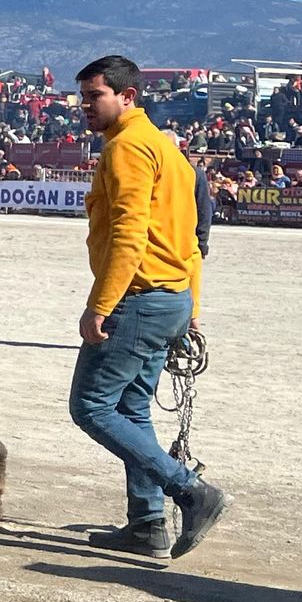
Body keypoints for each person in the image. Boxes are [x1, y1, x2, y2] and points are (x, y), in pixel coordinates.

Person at [68, 55, 229, 562]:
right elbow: (192, 239)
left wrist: (100, 305)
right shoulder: (168, 149)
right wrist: (192, 307)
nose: (85, 107)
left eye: (95, 96)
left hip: (138, 299)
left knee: (91, 407)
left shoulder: (127, 148)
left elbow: (129, 235)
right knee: (132, 408)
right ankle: (147, 523)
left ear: (127, 96)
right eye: (83, 98)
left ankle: (190, 492)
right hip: (171, 297)